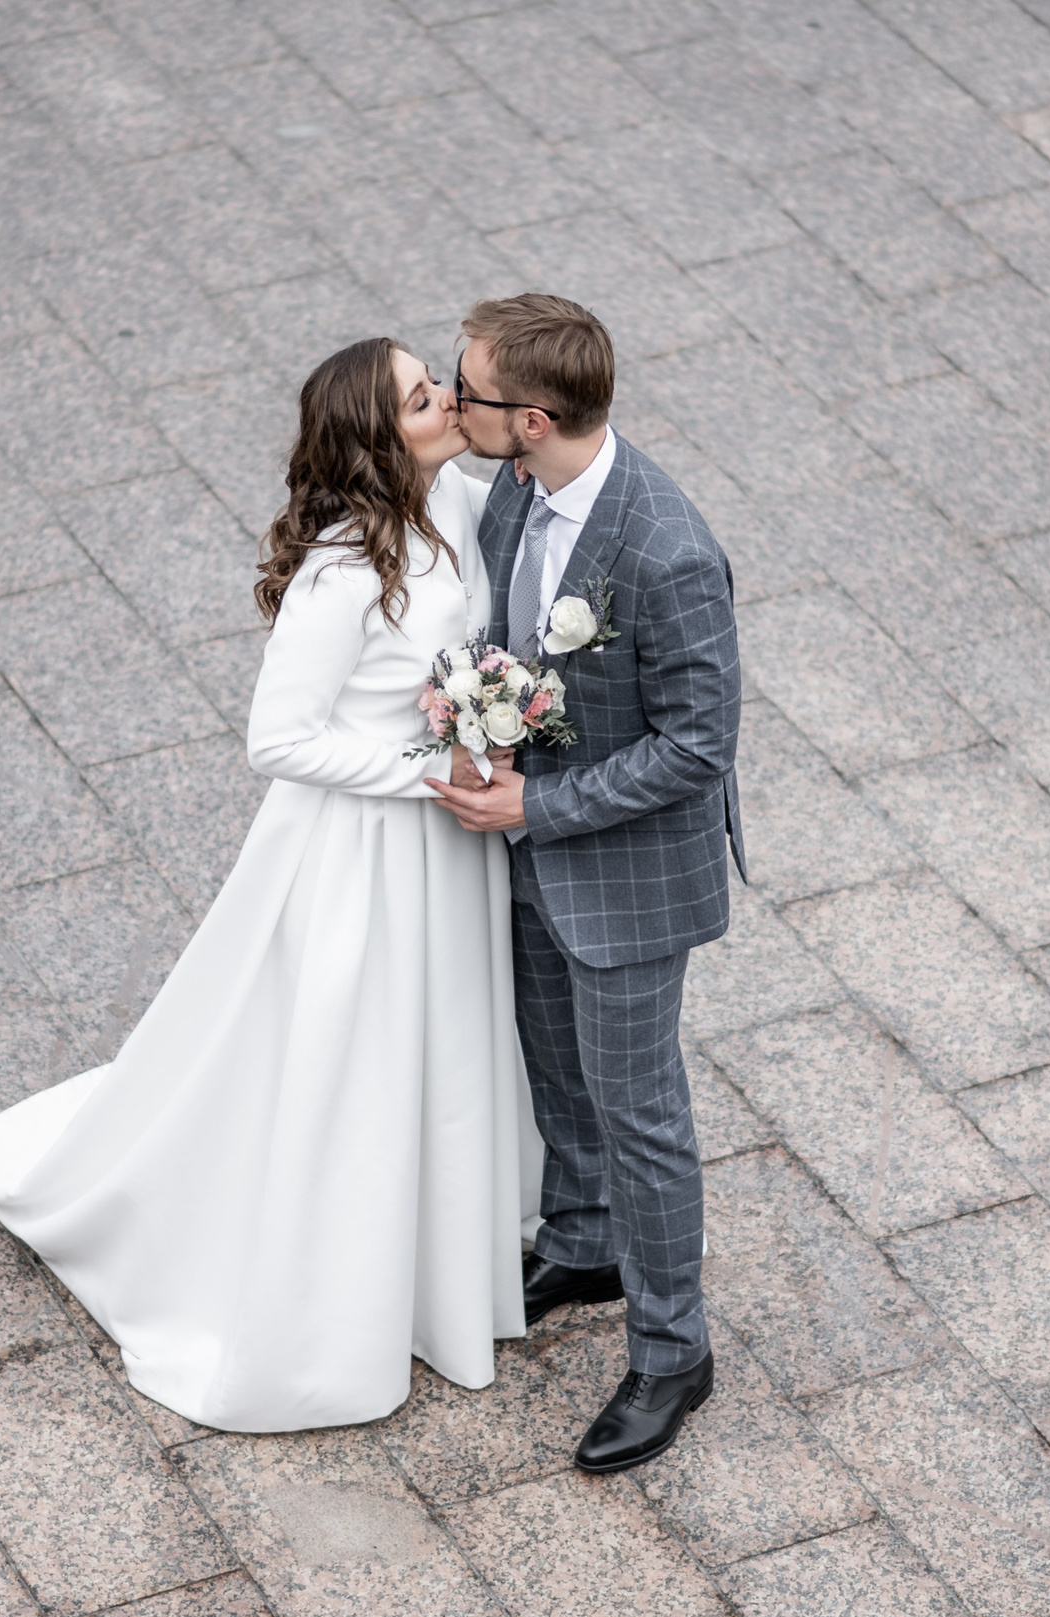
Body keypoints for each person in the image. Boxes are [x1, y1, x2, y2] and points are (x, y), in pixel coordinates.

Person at [0, 338, 537, 1433]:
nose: (448, 404)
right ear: (383, 439)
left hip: (449, 843)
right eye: (425, 400)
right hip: (365, 849)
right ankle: (326, 1278)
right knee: (348, 1047)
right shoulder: (340, 573)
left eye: (438, 386)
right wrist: (428, 774)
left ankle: (443, 1247)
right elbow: (276, 740)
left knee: (448, 1034)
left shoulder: (461, 499)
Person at [427, 294, 747, 1474]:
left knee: (639, 1111)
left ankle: (673, 1353)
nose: (452, 402)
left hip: (619, 871)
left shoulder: (666, 550)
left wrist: (537, 806)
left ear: (534, 415)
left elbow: (696, 747)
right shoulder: (516, 488)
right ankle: (584, 1239)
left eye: (465, 390)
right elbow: (515, 642)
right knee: (550, 1059)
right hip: (530, 843)